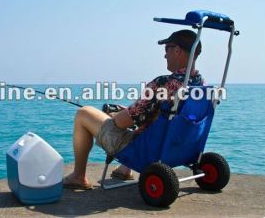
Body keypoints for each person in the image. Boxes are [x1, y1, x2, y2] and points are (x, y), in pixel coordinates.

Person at [63, 29, 204, 190]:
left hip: (149, 152)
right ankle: (124, 170)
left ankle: (78, 177)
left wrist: (116, 115)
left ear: (177, 50)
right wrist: (132, 112)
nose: (165, 55)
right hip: (179, 148)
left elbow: (122, 123)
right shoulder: (201, 86)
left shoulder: (162, 84)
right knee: (139, 118)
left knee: (84, 113)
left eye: (167, 49)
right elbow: (159, 117)